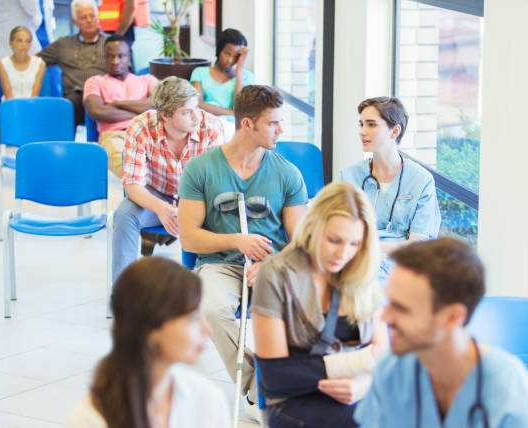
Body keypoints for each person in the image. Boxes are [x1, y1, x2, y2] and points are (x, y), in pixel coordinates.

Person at [177, 85, 308, 417]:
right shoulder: (200, 169)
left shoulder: (287, 173)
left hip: (273, 264)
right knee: (212, 307)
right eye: (273, 123)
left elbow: (301, 240)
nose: (281, 130)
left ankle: (295, 388)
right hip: (220, 265)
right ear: (247, 124)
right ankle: (260, 390)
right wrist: (236, 240)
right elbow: (189, 238)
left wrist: (273, 263)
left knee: (302, 309)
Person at [354, 238, 528, 428]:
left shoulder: (511, 395)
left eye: (401, 308)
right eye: (389, 303)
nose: (384, 318)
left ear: (453, 317)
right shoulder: (392, 370)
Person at [251, 181, 390, 428]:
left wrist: (362, 385)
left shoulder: (362, 268)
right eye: (334, 240)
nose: (343, 253)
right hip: (294, 400)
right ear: (312, 227)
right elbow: (274, 378)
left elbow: (384, 356)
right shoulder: (275, 274)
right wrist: (354, 364)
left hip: (358, 390)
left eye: (354, 244)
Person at [66, 257, 231, 428]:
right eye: (192, 319)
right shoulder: (90, 419)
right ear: (151, 328)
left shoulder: (208, 400)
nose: (207, 329)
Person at [112, 76, 224, 283]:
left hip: (197, 198)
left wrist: (187, 209)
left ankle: (201, 288)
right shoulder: (140, 127)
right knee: (124, 214)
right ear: (165, 115)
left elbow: (217, 184)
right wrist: (161, 208)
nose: (196, 117)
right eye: (186, 112)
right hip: (155, 194)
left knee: (219, 215)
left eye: (196, 108)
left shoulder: (211, 127)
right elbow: (132, 184)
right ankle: (122, 294)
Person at [338, 97, 441, 283]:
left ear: (395, 131)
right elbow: (335, 228)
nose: (362, 132)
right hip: (353, 263)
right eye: (361, 124)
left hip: (401, 267)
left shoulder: (420, 180)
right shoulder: (348, 176)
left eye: (371, 125)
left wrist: (371, 248)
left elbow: (419, 244)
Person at [84, 34, 158, 177]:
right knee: (131, 171)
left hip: (149, 133)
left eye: (121, 56)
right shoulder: (95, 82)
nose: (115, 61)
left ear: (129, 57)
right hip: (113, 136)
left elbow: (157, 104)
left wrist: (118, 103)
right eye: (110, 56)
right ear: (104, 58)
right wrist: (143, 112)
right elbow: (97, 111)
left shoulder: (148, 80)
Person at [0, 26, 46, 175]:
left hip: (31, 107)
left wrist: (27, 112)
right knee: (14, 116)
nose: (24, 45)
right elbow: (8, 95)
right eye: (19, 41)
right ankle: (1, 151)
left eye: (27, 41)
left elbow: (35, 94)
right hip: (10, 107)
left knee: (36, 118)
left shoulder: (40, 64)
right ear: (10, 43)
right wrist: (19, 113)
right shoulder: (2, 64)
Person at [190, 28, 253, 138]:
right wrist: (231, 112)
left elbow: (239, 109)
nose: (230, 60)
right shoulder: (200, 72)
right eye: (227, 54)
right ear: (219, 50)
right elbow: (196, 104)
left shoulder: (246, 77)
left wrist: (239, 70)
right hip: (206, 126)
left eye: (236, 57)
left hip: (234, 130)